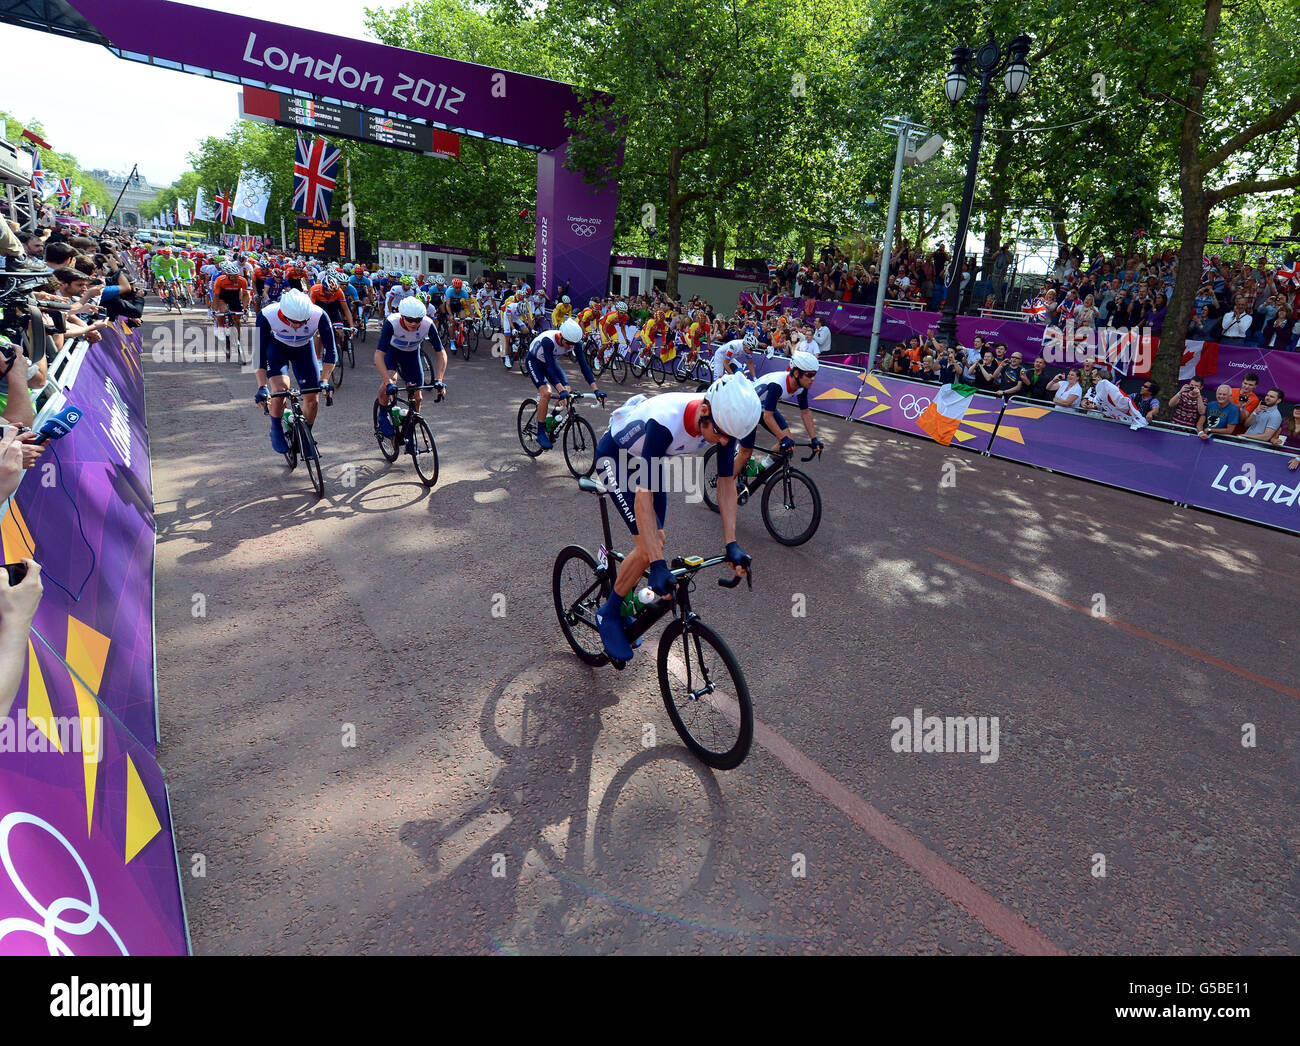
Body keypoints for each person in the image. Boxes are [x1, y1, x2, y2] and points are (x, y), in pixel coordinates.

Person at [591, 373, 761, 662]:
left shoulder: (722, 425)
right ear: (705, 411)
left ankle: (624, 597)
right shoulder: (665, 423)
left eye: (729, 438)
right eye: (719, 434)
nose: (723, 442)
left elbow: (726, 483)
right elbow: (643, 497)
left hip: (650, 460)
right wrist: (657, 564)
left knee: (658, 538)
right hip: (616, 459)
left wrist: (731, 543)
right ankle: (608, 612)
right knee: (649, 548)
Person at [252, 289, 336, 456]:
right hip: (277, 349)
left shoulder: (319, 315)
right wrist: (262, 386)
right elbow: (258, 353)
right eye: (293, 321)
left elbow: (332, 352)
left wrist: (325, 379)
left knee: (312, 400)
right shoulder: (267, 315)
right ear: (283, 313)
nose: (298, 325)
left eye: (303, 321)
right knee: (280, 389)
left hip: (304, 350)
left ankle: (306, 436)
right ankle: (275, 428)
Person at [734, 351, 824, 501]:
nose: (813, 379)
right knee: (745, 454)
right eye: (809, 375)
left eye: (814, 374)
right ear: (796, 373)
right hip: (749, 408)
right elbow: (767, 417)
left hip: (764, 407)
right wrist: (783, 438)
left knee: (789, 443)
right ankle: (724, 486)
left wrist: (814, 438)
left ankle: (759, 468)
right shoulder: (778, 384)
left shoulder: (801, 387)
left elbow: (806, 413)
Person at [524, 318, 603, 449]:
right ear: (561, 337)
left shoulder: (574, 342)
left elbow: (584, 366)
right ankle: (540, 432)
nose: (571, 347)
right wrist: (560, 390)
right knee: (547, 393)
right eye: (569, 344)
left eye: (573, 344)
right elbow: (549, 368)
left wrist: (596, 390)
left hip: (550, 362)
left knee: (567, 390)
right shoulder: (548, 340)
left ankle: (551, 418)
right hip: (535, 361)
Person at [374, 296, 443, 438]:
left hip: (412, 354)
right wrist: (387, 382)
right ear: (402, 316)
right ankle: (382, 415)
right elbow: (378, 355)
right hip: (392, 352)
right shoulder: (392, 322)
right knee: (391, 379)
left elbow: (441, 353)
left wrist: (439, 379)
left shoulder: (428, 324)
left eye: (417, 320)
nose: (413, 323)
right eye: (409, 319)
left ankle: (410, 431)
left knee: (418, 397)